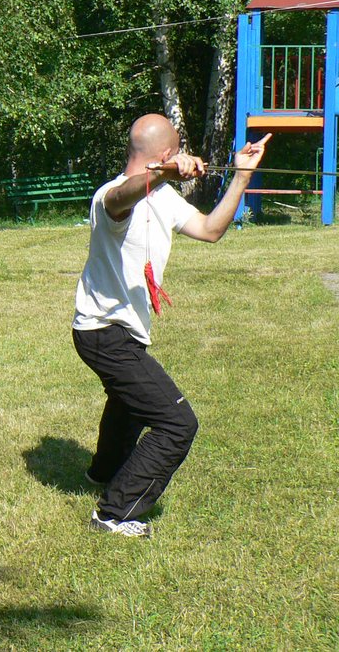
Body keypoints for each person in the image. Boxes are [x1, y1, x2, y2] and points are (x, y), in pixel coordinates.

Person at [73, 114, 270, 538]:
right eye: (176, 151)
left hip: (121, 331)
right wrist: (165, 172)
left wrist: (242, 175)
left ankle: (103, 472)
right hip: (102, 331)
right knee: (177, 422)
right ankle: (114, 514)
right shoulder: (110, 196)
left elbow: (210, 230)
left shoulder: (163, 197)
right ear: (165, 154)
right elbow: (122, 197)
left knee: (129, 402)